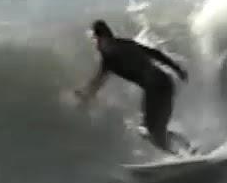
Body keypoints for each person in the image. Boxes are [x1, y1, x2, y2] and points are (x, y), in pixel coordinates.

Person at [75, 19, 193, 155]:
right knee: (151, 132)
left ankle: (184, 153)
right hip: (154, 90)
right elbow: (97, 82)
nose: (97, 45)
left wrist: (177, 69)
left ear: (106, 38)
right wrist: (85, 97)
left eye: (97, 40)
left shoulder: (126, 46)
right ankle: (185, 152)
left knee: (153, 131)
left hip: (162, 85)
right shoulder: (108, 62)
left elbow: (155, 54)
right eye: (95, 41)